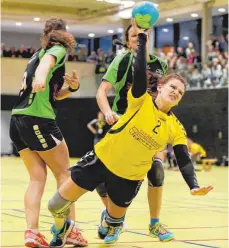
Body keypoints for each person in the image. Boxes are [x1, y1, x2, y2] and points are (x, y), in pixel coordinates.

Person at [47, 20, 213, 247]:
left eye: (180, 92)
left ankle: (131, 221)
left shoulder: (175, 126)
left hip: (129, 176)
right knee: (55, 205)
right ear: (160, 87)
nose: (175, 92)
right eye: (172, 87)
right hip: (103, 157)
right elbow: (138, 75)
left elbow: (183, 157)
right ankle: (64, 227)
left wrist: (193, 185)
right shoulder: (140, 100)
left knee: (124, 211)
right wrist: (142, 41)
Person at [9, 18, 87, 248]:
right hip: (38, 120)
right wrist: (42, 78)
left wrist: (71, 88)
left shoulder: (37, 54)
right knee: (65, 174)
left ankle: (32, 232)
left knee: (37, 178)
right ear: (62, 34)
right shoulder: (56, 49)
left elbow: (53, 95)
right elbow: (43, 71)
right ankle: (69, 229)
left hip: (18, 121)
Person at [96, 23, 173, 241]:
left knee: (157, 170)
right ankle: (113, 220)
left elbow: (165, 99)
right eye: (133, 36)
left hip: (150, 125)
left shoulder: (160, 65)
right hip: (123, 121)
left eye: (142, 35)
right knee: (102, 175)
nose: (138, 39)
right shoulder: (122, 60)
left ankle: (155, 224)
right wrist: (108, 111)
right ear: (129, 42)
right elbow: (102, 92)